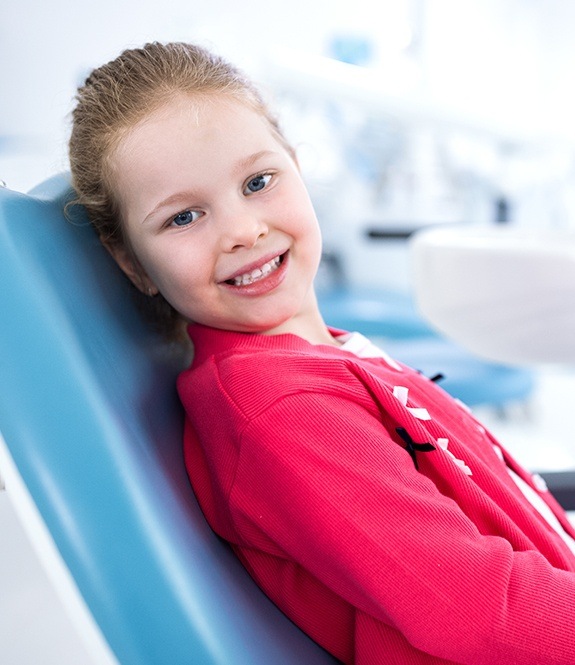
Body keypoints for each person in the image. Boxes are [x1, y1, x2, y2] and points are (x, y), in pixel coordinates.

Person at [69, 41, 575, 664]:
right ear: (132, 263)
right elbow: (485, 615)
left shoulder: (325, 360)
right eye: (183, 218)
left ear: (297, 168)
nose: (242, 230)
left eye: (258, 181)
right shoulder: (280, 411)